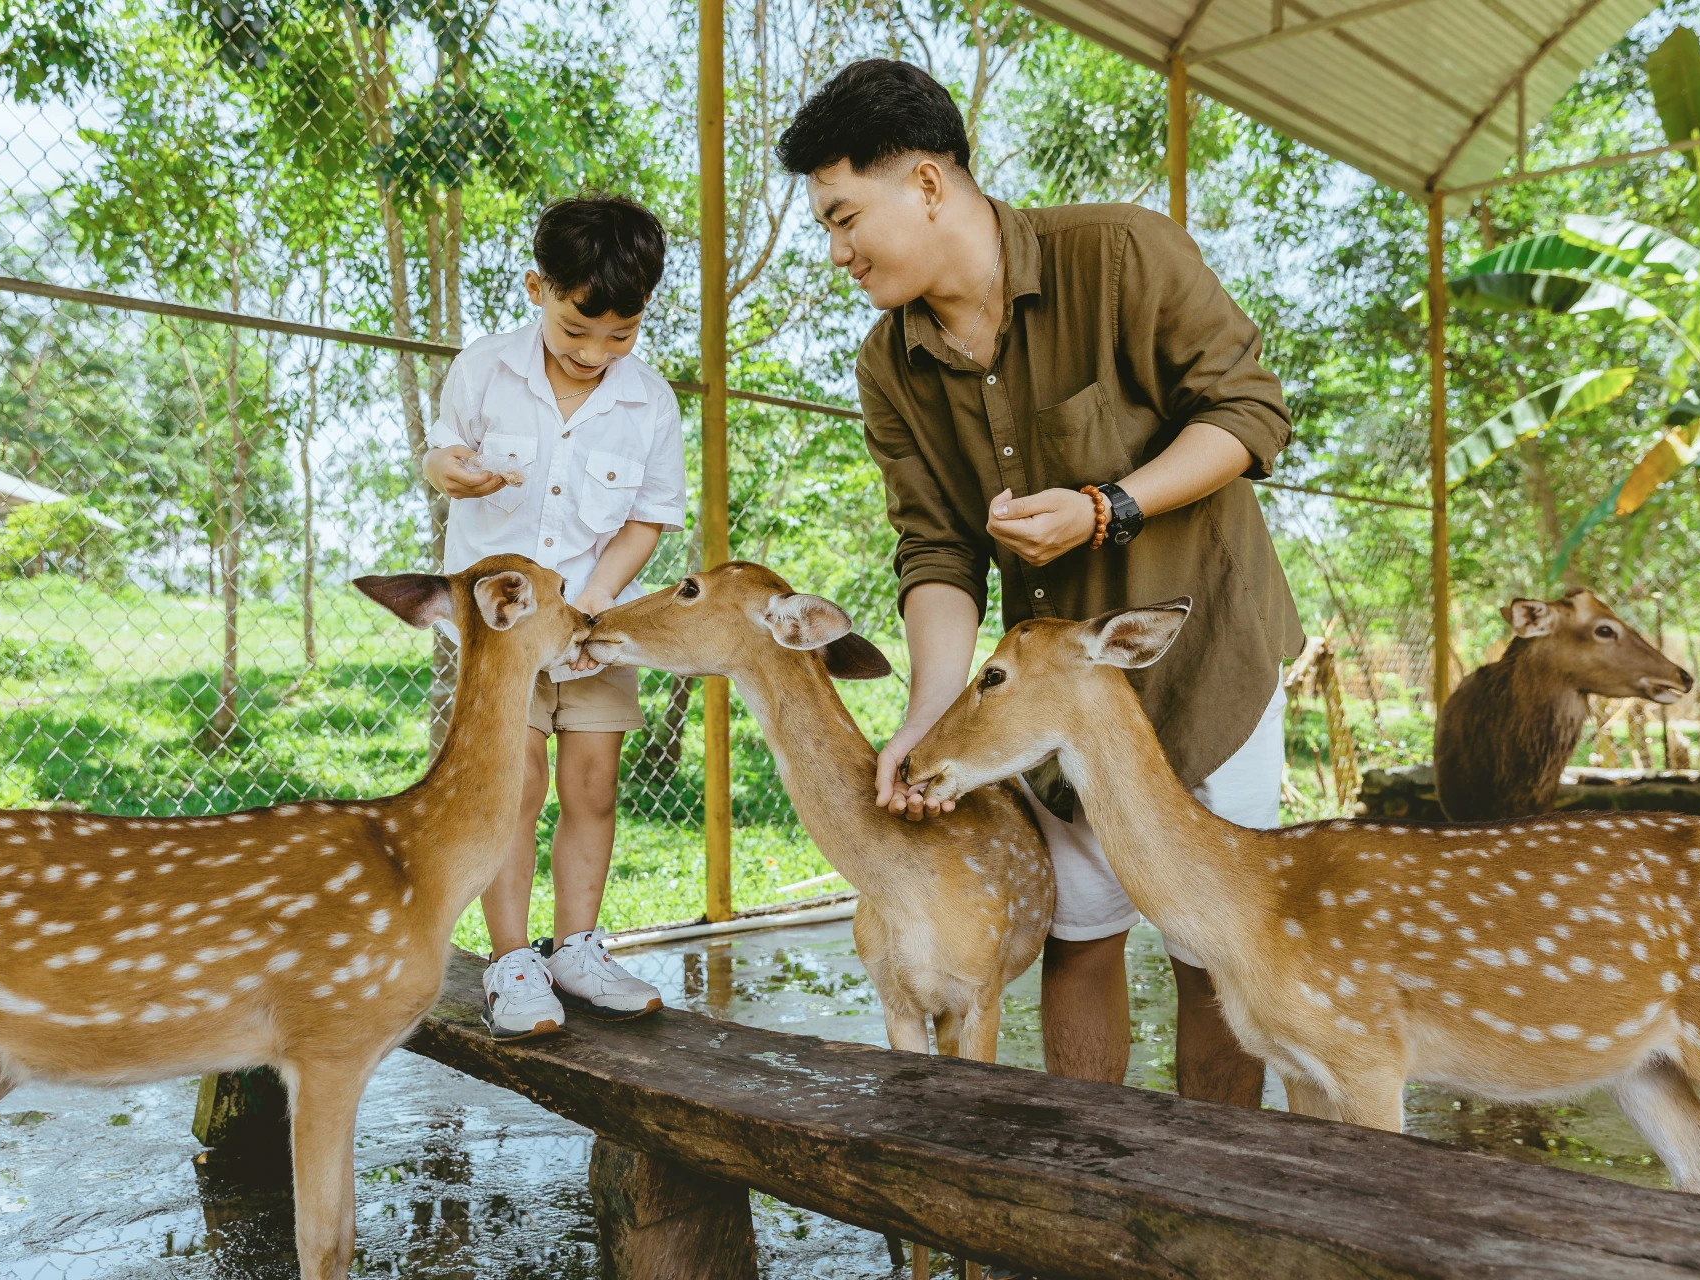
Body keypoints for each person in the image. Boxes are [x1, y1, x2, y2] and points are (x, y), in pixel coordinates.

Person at [777, 61, 1304, 1103]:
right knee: (1082, 935)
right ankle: (1090, 1192)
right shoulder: (888, 366)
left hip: (1210, 665)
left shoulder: (1120, 252)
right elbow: (935, 551)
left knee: (1218, 953)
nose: (837, 252)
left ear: (927, 184)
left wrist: (1108, 507)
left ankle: (1212, 1206)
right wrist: (929, 716)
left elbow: (1250, 416)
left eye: (845, 218)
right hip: (1050, 701)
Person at [423, 194, 685, 1041]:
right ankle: (511, 962)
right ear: (539, 289)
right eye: (577, 330)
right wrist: (451, 471)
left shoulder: (650, 403)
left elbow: (647, 517)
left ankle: (578, 948)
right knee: (515, 788)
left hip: (594, 623)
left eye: (621, 334)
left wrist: (600, 598)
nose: (595, 354)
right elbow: (440, 450)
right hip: (499, 639)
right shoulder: (484, 369)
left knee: (591, 786)